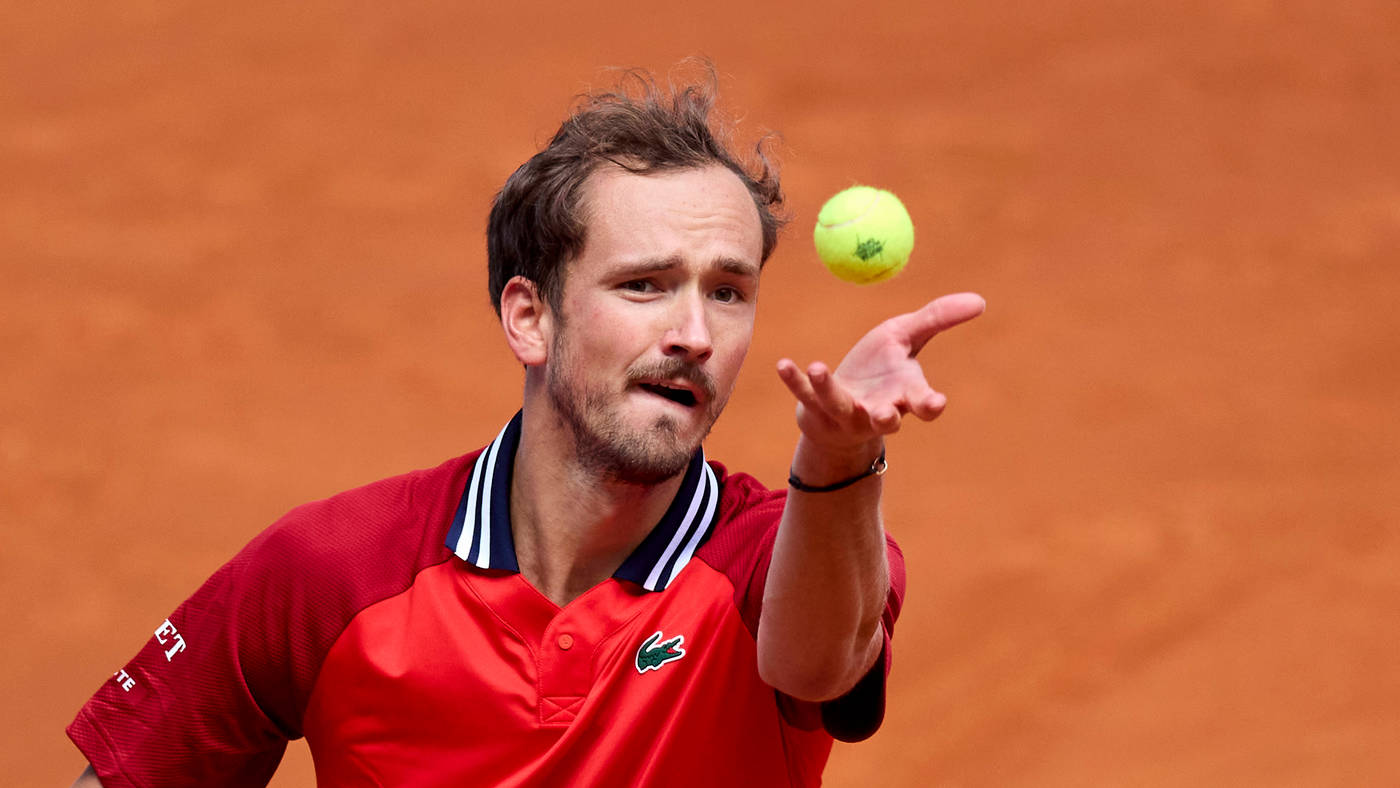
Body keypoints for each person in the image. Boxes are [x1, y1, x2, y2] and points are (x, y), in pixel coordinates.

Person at [68, 66, 985, 787]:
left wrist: (839, 458)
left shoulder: (785, 554)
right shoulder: (334, 574)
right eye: (645, 285)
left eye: (728, 292)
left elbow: (819, 668)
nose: (696, 335)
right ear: (529, 317)